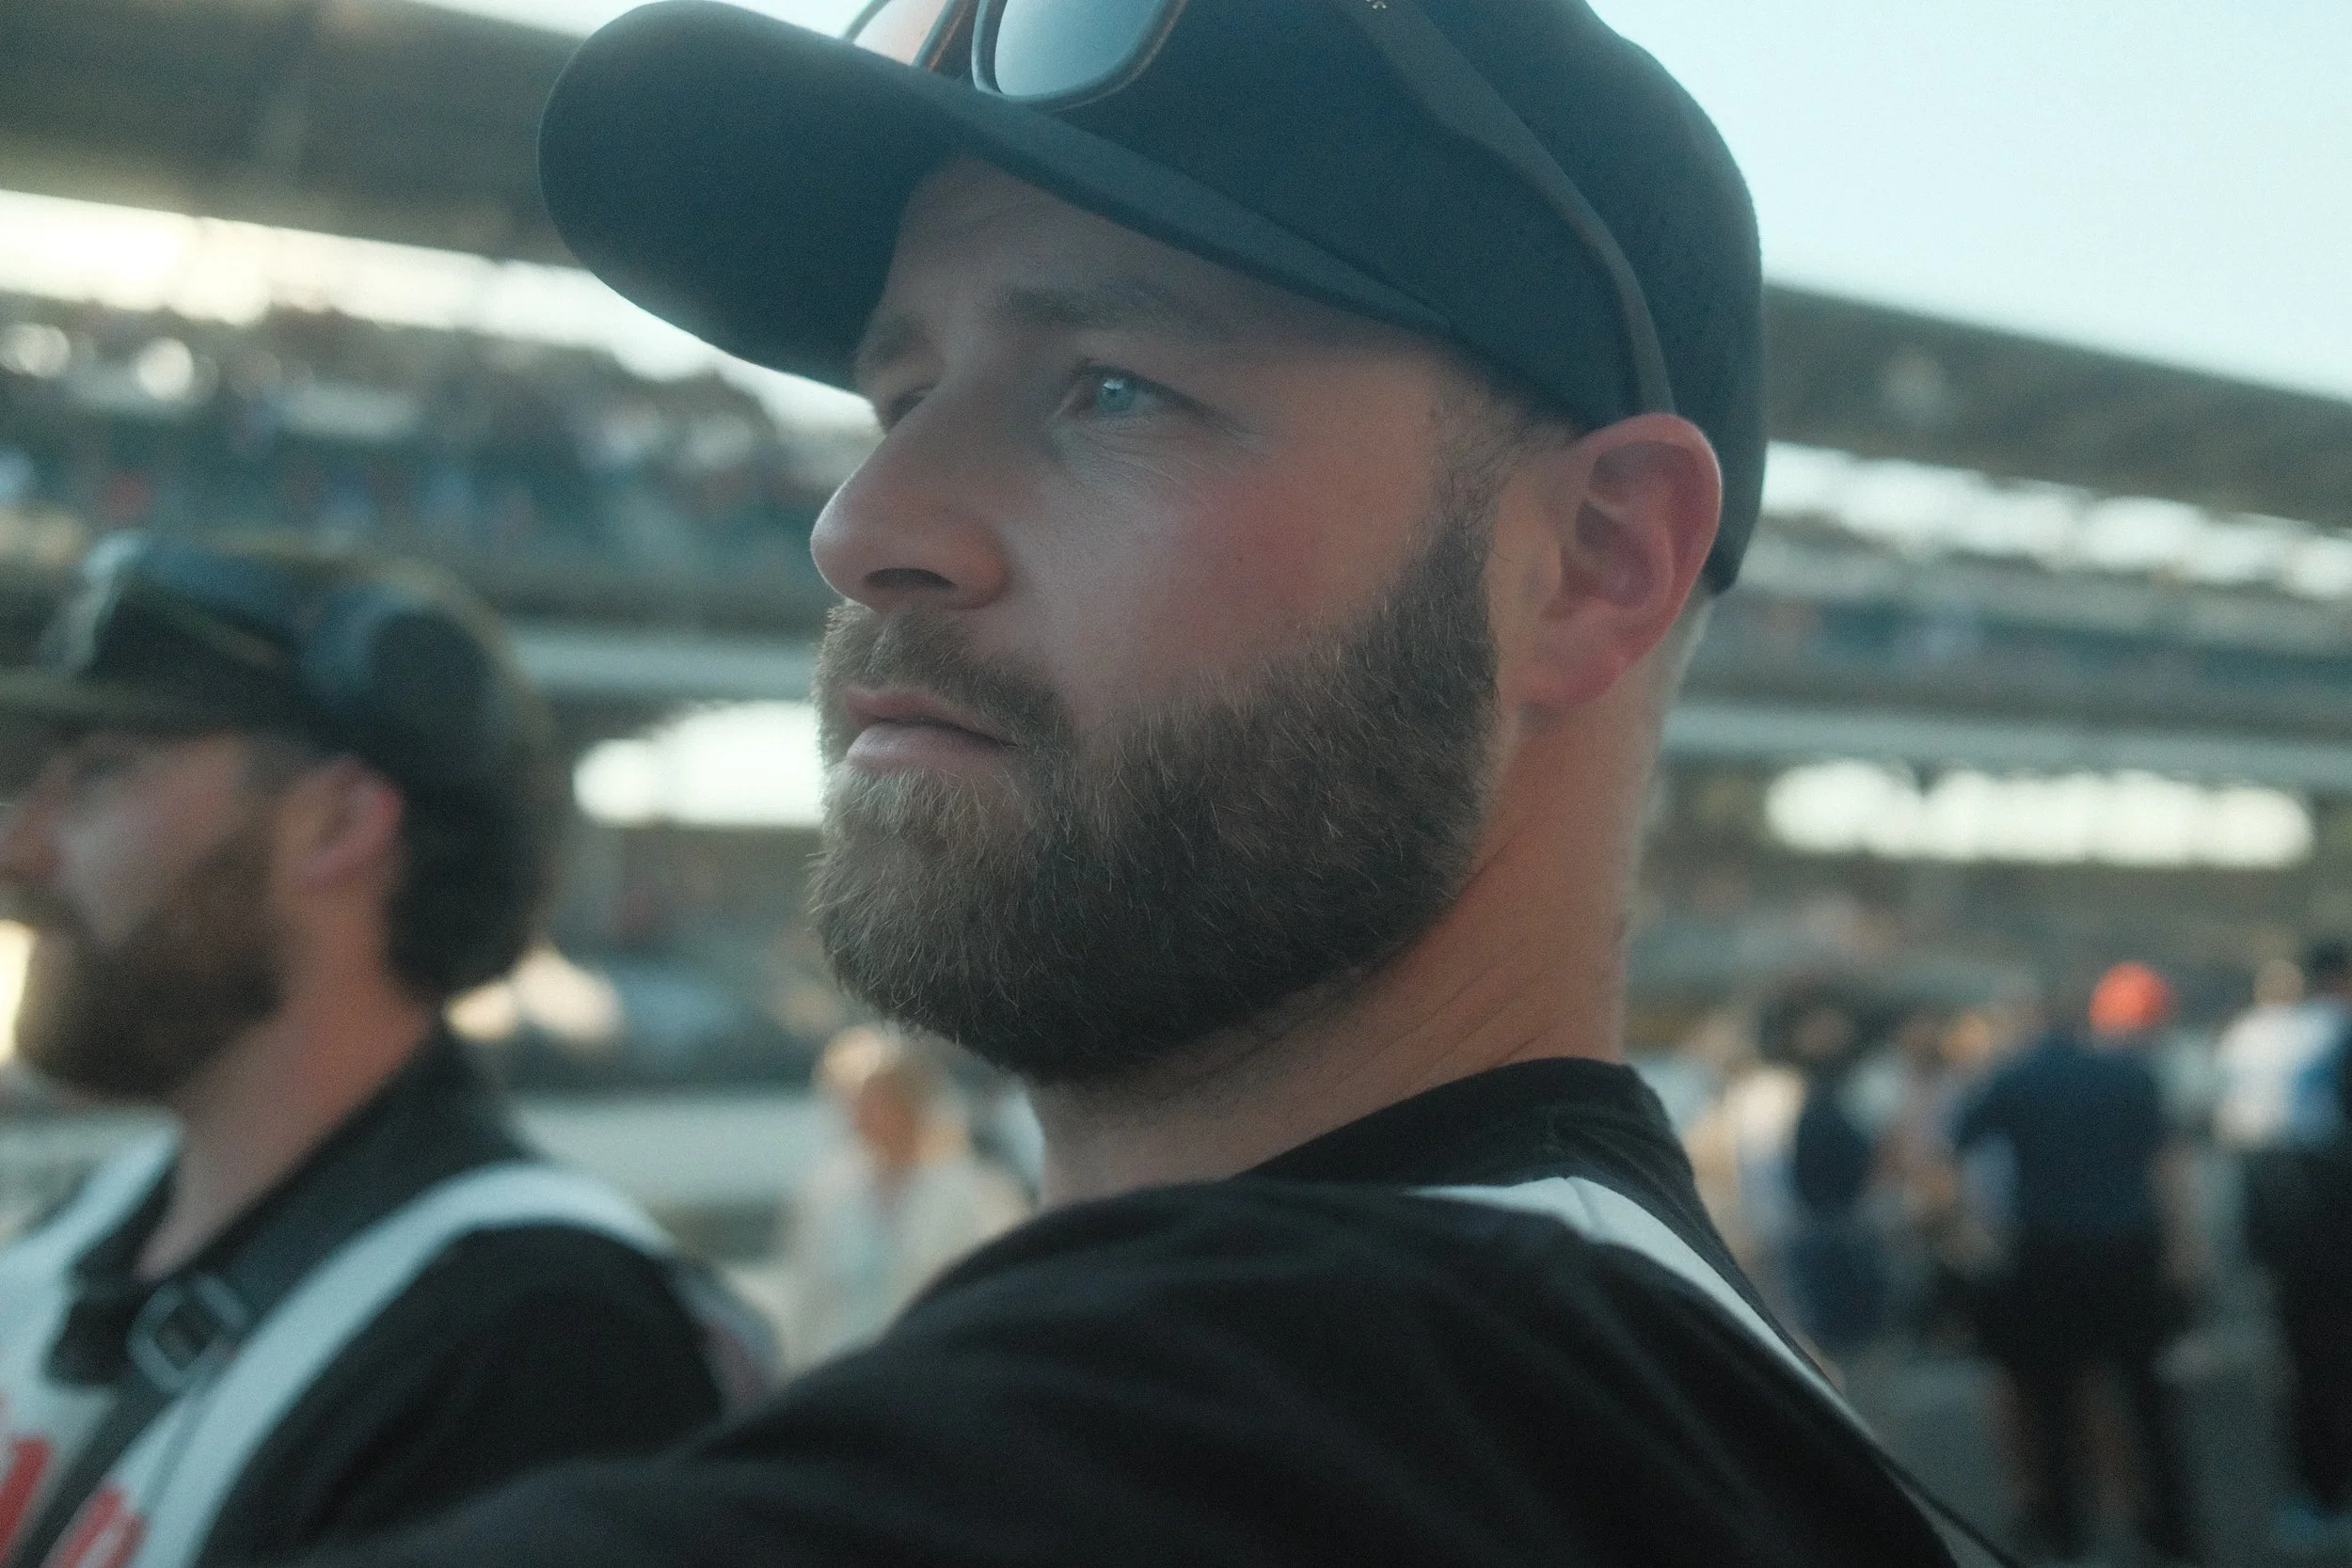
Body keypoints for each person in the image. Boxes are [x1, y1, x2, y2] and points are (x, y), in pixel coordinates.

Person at [301, 0, 1985, 1562]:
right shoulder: (1668, 1397)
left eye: (1113, 387)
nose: (863, 528)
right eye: (900, 394)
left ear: (1594, 561)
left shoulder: (1335, 1435)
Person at [0, 536, 767, 1568]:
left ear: (340, 821)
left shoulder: (537, 1344)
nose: (23, 844)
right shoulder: (72, 1233)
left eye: (101, 771)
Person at [1954, 964, 2201, 1564]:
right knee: (2147, 1401)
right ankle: (2169, 1531)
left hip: (2047, 1254)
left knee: (2053, 1401)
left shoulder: (2011, 1077)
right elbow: (2164, 1165)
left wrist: (1976, 1233)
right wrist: (2183, 1247)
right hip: (2128, 1251)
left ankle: (2063, 1531)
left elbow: (1954, 1152)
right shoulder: (2129, 1074)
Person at [779, 1026, 1027, 1366]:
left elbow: (1002, 1293)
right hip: (843, 1375)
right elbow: (806, 1301)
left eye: (876, 1101)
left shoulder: (974, 1189)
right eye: (852, 1102)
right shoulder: (827, 1193)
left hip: (936, 1371)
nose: (860, 1116)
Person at [2215, 942, 2352, 1551]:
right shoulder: (2334, 1032)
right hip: (2332, 1214)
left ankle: (2319, 1491)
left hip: (2285, 1228)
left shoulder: (2250, 1034)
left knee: (2308, 1367)